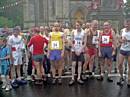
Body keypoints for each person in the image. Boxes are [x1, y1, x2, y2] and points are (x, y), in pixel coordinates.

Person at [69, 21, 85, 86]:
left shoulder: (84, 33)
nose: (77, 26)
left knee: (80, 64)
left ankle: (78, 78)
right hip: (74, 50)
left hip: (80, 50)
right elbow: (71, 42)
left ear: (81, 25)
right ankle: (72, 78)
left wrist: (80, 50)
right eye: (76, 25)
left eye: (78, 25)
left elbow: (85, 43)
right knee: (73, 64)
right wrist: (75, 50)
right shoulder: (73, 32)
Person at [117, 19, 130, 87]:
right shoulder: (122, 30)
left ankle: (129, 79)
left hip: (129, 50)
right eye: (126, 24)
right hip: (122, 49)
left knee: (129, 65)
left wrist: (127, 40)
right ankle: (121, 77)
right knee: (119, 64)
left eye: (128, 24)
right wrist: (121, 40)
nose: (127, 25)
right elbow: (119, 39)